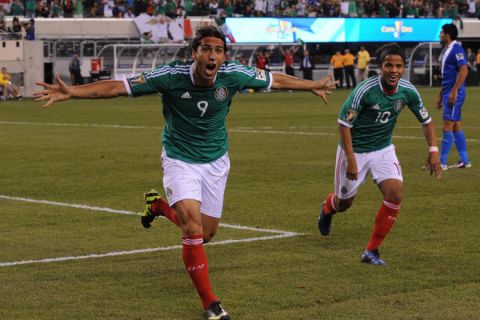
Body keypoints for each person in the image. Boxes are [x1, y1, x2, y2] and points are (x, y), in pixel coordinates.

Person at [34, 25, 337, 320]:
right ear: (195, 52)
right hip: (180, 159)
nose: (212, 56)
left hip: (216, 162)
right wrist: (72, 91)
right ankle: (211, 304)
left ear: (223, 57)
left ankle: (156, 206)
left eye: (218, 51)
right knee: (191, 228)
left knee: (206, 234)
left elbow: (276, 81)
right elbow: (117, 87)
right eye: (206, 48)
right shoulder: (169, 76)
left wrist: (313, 85)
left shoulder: (234, 75)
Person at [317, 43, 441, 266]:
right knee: (344, 203)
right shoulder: (365, 90)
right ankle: (327, 209)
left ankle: (371, 251)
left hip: (383, 149)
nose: (393, 70)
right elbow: (344, 125)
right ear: (380, 67)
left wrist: (433, 150)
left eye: (398, 66)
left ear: (403, 68)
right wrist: (351, 160)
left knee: (395, 194)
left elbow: (427, 121)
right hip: (353, 151)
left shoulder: (408, 91)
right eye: (388, 65)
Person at [436, 23, 471, 170]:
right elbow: (448, 76)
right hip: (448, 92)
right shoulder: (447, 50)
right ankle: (465, 160)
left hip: (454, 93)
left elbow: (464, 69)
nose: (440, 35)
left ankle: (441, 163)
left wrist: (454, 90)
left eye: (442, 33)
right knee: (455, 126)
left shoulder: (457, 49)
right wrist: (440, 95)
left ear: (448, 34)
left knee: (447, 125)